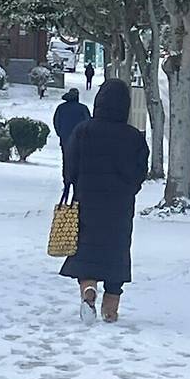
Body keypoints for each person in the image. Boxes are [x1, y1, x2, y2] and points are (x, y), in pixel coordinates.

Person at [59, 79, 149, 324]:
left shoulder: (84, 130)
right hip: (120, 205)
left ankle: (89, 290)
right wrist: (130, 188)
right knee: (116, 251)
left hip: (87, 200)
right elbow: (141, 171)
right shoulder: (133, 137)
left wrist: (75, 182)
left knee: (87, 248)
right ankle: (111, 307)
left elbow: (70, 165)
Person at [53, 89, 90, 186]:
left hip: (65, 139)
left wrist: (60, 134)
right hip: (80, 140)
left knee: (66, 160)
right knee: (79, 160)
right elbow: (88, 122)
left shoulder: (61, 108)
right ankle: (76, 180)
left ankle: (66, 180)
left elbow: (56, 122)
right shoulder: (83, 108)